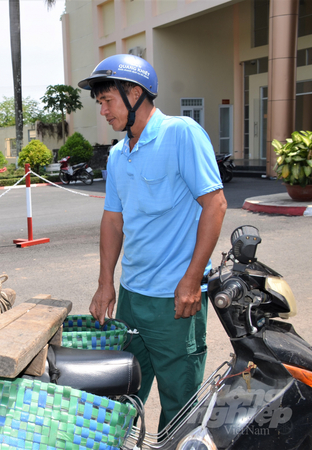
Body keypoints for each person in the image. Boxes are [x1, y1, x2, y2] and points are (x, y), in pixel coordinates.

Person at [78, 54, 227, 431]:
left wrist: (193, 280)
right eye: (100, 104)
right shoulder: (117, 155)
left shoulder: (181, 134)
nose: (104, 111)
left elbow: (215, 204)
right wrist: (105, 282)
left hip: (175, 301)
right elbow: (113, 221)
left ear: (135, 94)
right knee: (122, 394)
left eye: (108, 101)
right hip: (131, 297)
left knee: (180, 403)